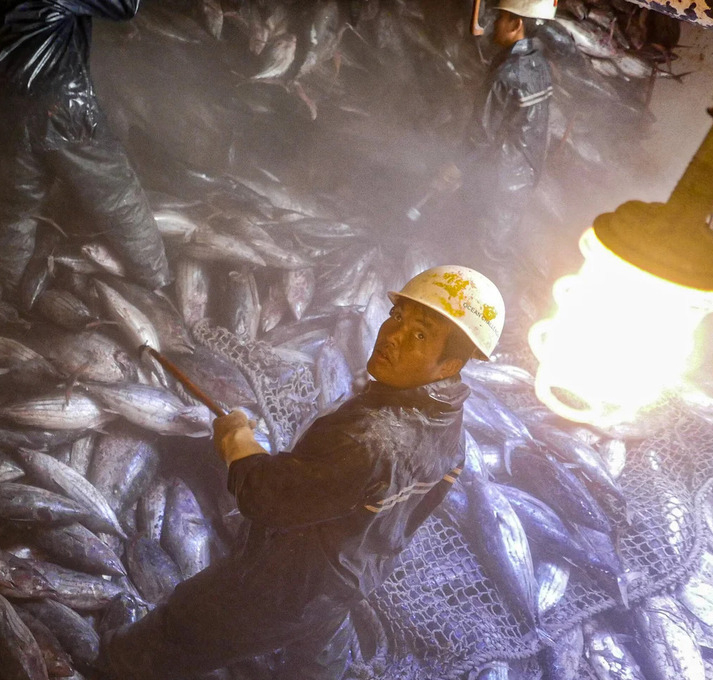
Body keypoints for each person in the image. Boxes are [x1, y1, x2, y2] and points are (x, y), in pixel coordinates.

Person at [98, 266, 506, 680]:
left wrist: (239, 442)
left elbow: (267, 500)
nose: (393, 335)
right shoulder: (450, 428)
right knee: (318, 641)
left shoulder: (373, 440)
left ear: (449, 363)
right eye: (398, 317)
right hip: (354, 572)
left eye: (420, 335)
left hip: (288, 582)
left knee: (186, 626)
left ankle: (119, 664)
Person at [0, 0, 171, 301]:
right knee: (116, 197)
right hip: (61, 106)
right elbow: (124, 6)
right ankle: (156, 281)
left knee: (10, 212)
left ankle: (13, 299)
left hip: (0, 106)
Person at [432, 0, 556, 310]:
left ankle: (502, 322)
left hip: (502, 176)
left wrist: (455, 168)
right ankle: (473, 306)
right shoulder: (538, 63)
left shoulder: (509, 71)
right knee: (496, 242)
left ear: (517, 24)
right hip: (524, 172)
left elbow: (482, 132)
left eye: (501, 17)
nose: (494, 24)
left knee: (491, 250)